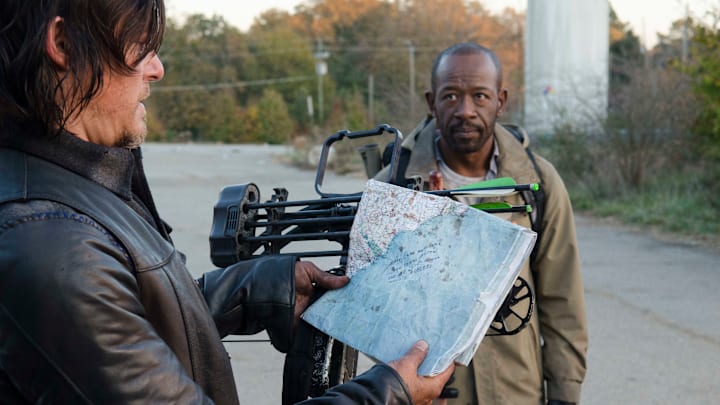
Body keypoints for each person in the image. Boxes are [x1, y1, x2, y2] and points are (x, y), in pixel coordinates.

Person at [0, 1, 454, 404]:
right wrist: (385, 394)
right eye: (141, 46)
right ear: (63, 43)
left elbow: (131, 318)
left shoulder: (74, 185)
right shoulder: (52, 243)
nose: (157, 69)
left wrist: (253, 290)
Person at [375, 43, 588, 404]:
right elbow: (372, 309)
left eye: (480, 96)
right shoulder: (393, 186)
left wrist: (564, 395)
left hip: (517, 391)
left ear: (500, 101)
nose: (465, 111)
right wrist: (398, 387)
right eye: (451, 96)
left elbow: (562, 300)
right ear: (432, 101)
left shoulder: (537, 182)